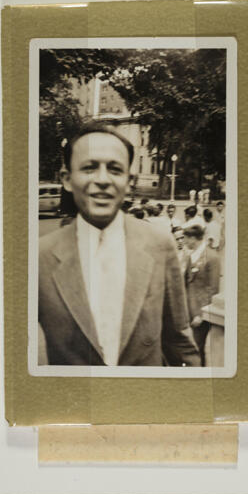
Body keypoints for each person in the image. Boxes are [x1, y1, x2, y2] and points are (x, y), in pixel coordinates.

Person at [39, 121, 199, 367]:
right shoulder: (40, 256)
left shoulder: (159, 245)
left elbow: (179, 342)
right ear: (67, 179)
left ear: (130, 181)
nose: (103, 179)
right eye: (89, 167)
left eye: (114, 169)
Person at [184, 225, 220, 366]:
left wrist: (201, 314)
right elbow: (186, 283)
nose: (184, 241)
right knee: (188, 349)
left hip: (199, 313)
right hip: (188, 310)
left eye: (186, 238)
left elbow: (213, 288)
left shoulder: (212, 258)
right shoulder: (191, 255)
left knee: (196, 349)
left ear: (193, 238)